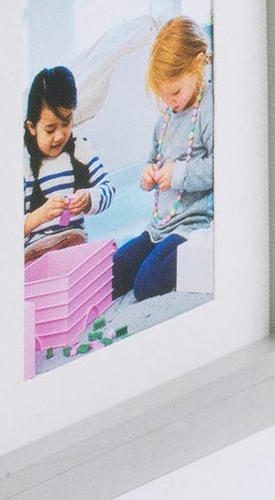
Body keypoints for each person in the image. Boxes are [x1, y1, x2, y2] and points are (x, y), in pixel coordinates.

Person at [112, 19, 214, 304]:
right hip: (159, 225)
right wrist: (148, 175)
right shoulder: (166, 119)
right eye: (163, 95)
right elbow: (153, 159)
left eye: (175, 93)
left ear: (198, 64)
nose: (169, 102)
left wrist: (178, 174)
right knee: (113, 274)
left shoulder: (208, 107)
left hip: (193, 224)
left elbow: (222, 166)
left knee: (147, 283)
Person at [21, 66, 108, 260]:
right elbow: (3, 231)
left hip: (72, 242)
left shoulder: (80, 150)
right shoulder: (23, 166)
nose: (60, 135)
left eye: (66, 123)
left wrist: (89, 199)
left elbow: (107, 189)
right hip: (34, 254)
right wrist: (39, 216)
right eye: (50, 129)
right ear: (32, 127)